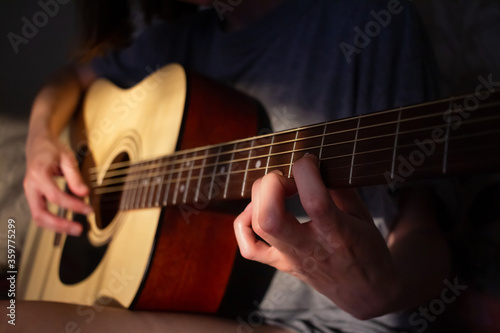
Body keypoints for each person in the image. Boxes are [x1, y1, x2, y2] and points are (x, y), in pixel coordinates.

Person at [19, 0, 450, 332]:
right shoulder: (175, 42)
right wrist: (40, 141)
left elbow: (429, 233)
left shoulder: (368, 18)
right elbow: (71, 79)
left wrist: (385, 291)